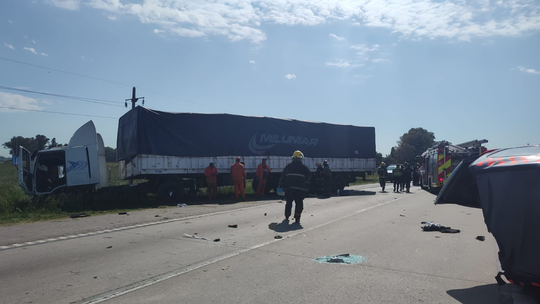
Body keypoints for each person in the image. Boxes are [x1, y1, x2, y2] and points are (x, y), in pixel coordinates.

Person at [278, 150, 312, 224]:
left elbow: (282, 177)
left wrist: (281, 186)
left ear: (293, 158)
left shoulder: (288, 167)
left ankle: (287, 216)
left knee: (289, 202)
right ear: (300, 158)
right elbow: (309, 176)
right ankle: (297, 218)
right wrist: (305, 184)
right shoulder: (304, 167)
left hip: (289, 188)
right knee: (299, 203)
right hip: (300, 189)